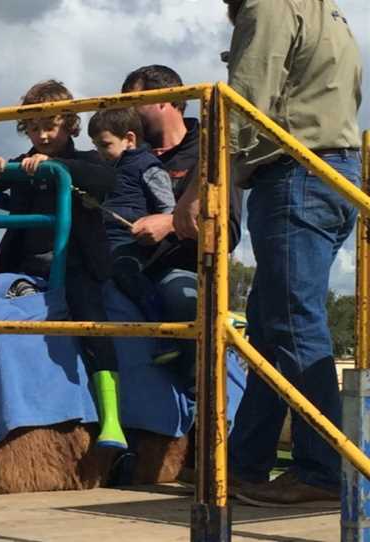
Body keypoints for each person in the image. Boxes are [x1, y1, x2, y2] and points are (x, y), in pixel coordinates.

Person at [218, 0, 363, 506]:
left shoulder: (269, 5)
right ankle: (244, 462)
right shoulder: (330, 12)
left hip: (296, 172)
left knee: (293, 324)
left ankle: (321, 469)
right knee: (271, 323)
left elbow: (245, 99)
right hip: (335, 171)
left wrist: (206, 185)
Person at [0, 79, 127, 449]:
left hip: (74, 264)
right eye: (34, 128)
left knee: (91, 316)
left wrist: (57, 167)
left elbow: (105, 179)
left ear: (69, 123)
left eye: (50, 126)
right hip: (22, 269)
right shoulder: (21, 165)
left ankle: (111, 417)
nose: (42, 135)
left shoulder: (84, 161)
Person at [119, 65, 244, 382]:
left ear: (166, 99)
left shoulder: (212, 150)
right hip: (122, 265)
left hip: (184, 271)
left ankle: (200, 408)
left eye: (134, 102)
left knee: (180, 297)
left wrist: (171, 223)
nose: (126, 112)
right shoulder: (124, 153)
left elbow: (226, 232)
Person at [88, 108, 182, 365]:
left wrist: (159, 225)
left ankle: (161, 332)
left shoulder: (148, 166)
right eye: (95, 146)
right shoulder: (107, 167)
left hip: (131, 242)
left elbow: (168, 207)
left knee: (125, 273)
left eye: (105, 145)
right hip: (104, 238)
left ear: (129, 139)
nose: (99, 152)